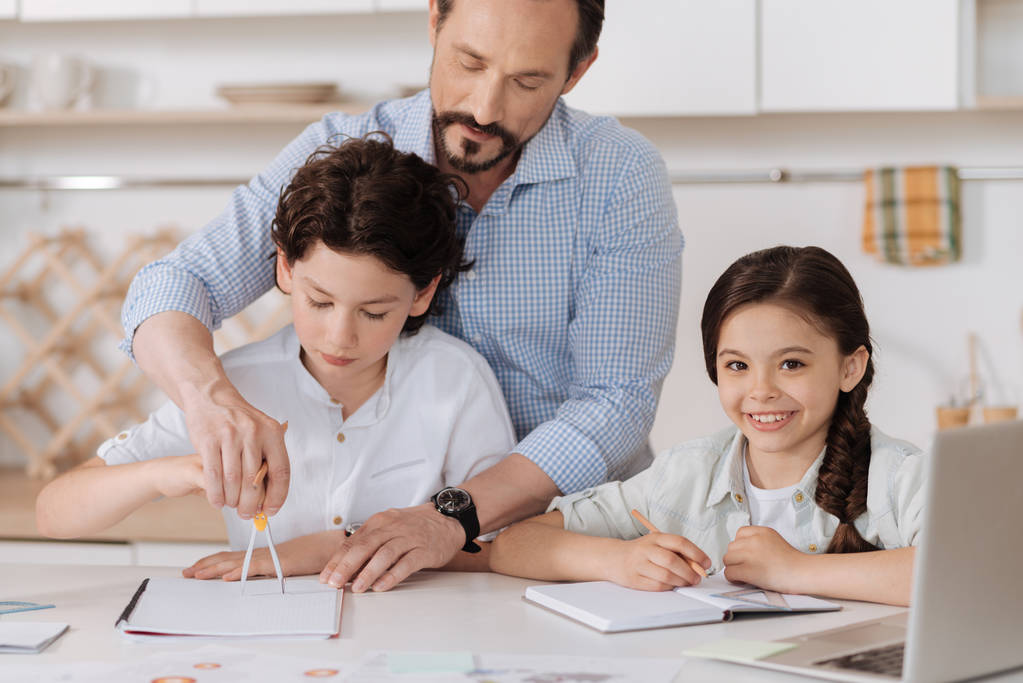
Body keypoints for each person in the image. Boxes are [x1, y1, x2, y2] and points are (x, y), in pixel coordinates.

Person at [121, 0, 682, 593]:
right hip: (396, 562)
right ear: (435, 20)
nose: (485, 108)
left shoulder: (619, 175)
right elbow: (175, 284)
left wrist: (451, 516)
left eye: (527, 81)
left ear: (577, 70)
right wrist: (210, 403)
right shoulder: (346, 152)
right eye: (469, 61)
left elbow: (616, 401)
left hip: (578, 548)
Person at [36, 136, 517, 581]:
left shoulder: (455, 380)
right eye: (320, 303)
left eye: (373, 312)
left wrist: (320, 551)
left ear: (422, 293)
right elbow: (53, 513)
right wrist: (167, 473)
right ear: (285, 268)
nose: (340, 336)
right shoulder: (233, 385)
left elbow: (502, 542)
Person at [489, 246, 924, 607]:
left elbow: (966, 570)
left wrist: (795, 570)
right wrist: (619, 560)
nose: (761, 390)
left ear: (851, 367)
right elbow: (515, 545)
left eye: (791, 364)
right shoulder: (685, 473)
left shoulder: (900, 476)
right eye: (737, 365)